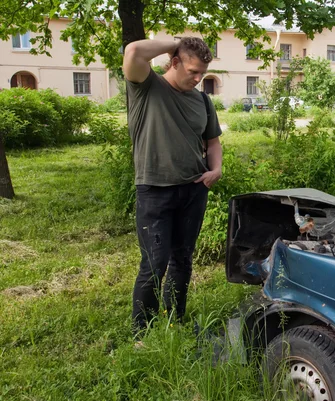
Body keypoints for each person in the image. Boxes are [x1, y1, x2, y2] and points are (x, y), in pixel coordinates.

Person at [122, 37, 223, 337]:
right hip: (155, 190)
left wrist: (216, 169)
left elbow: (213, 142)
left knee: (182, 259)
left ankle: (175, 321)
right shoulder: (146, 86)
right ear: (174, 61)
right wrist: (177, 43)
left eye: (202, 73)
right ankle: (142, 332)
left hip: (193, 190)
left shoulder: (202, 100)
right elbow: (134, 51)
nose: (198, 78)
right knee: (154, 263)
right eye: (192, 71)